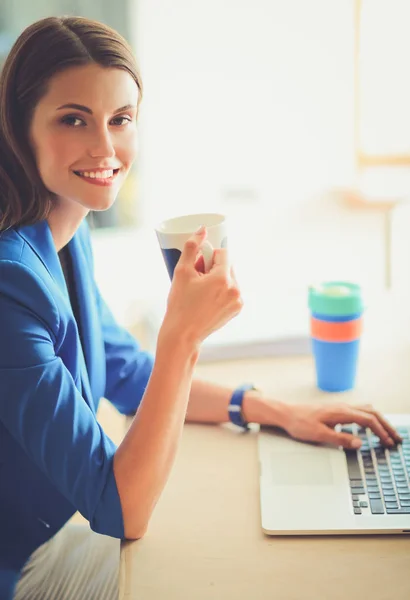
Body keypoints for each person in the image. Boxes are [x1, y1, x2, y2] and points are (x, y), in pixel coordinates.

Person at [0, 15, 402, 600]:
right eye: (73, 119)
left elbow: (122, 371)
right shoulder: (11, 284)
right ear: (18, 129)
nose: (106, 148)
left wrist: (275, 411)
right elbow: (122, 509)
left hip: (59, 533)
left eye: (121, 120)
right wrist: (182, 337)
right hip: (26, 565)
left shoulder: (63, 232)